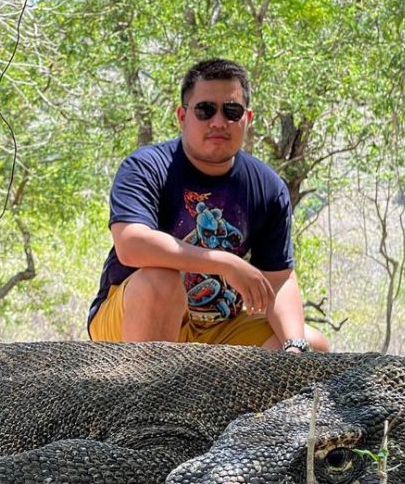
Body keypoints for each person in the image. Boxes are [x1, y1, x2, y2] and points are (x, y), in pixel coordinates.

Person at [87, 58, 329, 354]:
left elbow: (278, 280)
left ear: (247, 119)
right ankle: (151, 399)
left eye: (231, 111)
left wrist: (294, 345)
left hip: (219, 327)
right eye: (205, 110)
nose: (218, 121)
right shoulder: (146, 167)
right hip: (133, 317)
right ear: (182, 116)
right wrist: (223, 262)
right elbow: (132, 244)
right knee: (161, 281)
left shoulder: (267, 186)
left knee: (312, 345)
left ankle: (226, 400)